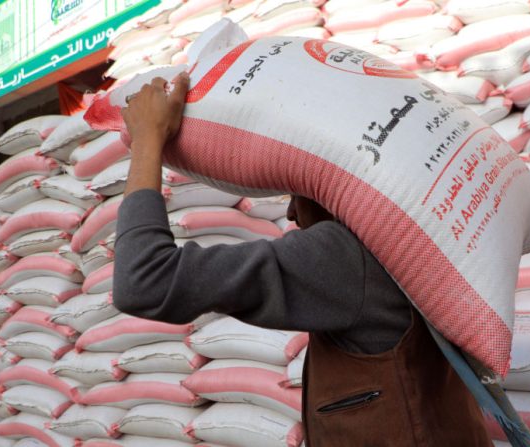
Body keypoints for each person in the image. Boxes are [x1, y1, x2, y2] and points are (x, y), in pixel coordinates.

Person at [113, 73, 491, 446]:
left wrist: (149, 140)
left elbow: (143, 280)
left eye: (301, 186)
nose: (292, 213)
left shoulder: (345, 256)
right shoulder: (425, 224)